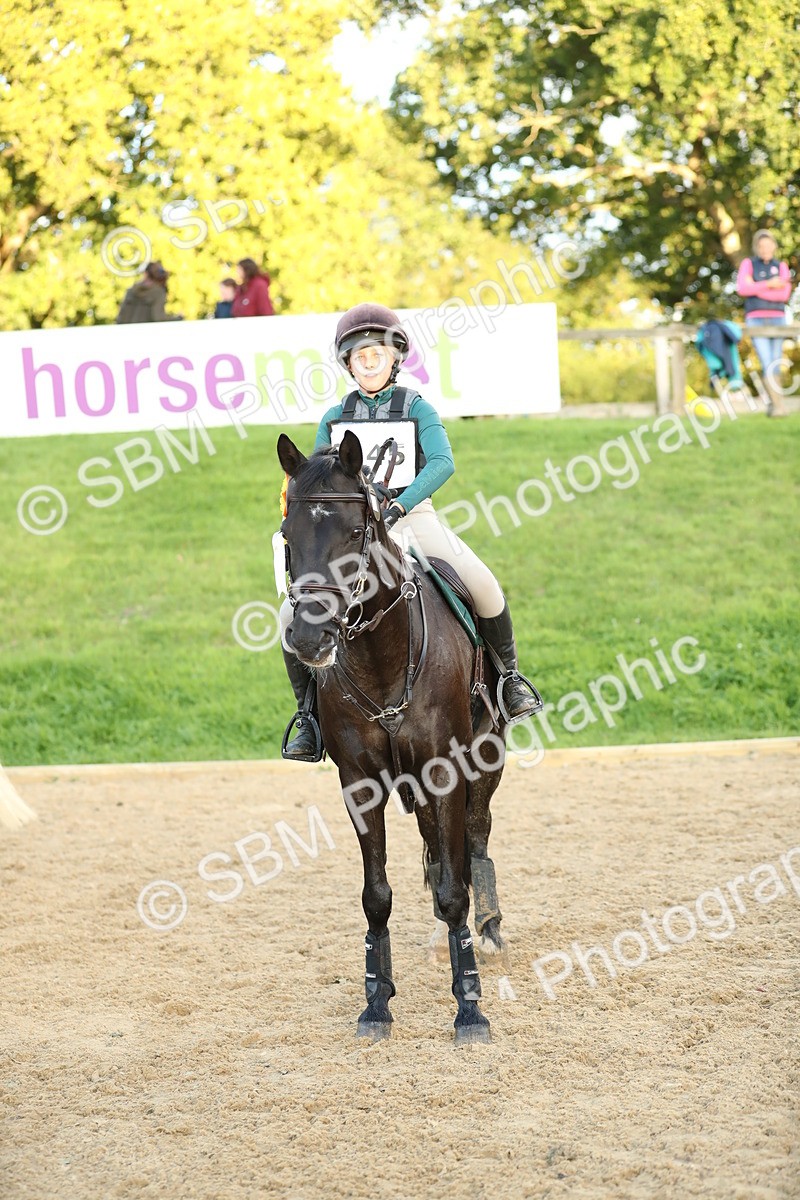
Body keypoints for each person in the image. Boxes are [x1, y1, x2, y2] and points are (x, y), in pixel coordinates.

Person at [280, 302, 541, 760]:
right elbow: (317, 480)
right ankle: (308, 716)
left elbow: (443, 462)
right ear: (348, 364)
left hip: (412, 516)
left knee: (483, 584)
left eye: (376, 354)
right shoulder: (334, 417)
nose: (368, 362)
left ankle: (510, 681)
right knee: (289, 614)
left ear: (394, 357)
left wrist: (400, 504)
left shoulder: (417, 407)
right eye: (359, 356)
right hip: (354, 529)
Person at [736, 230, 792, 417]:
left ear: (774, 246)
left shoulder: (781, 266)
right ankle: (778, 406)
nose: (765, 249)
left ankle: (775, 405)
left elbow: (783, 294)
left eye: (769, 245)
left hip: (778, 318)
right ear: (756, 248)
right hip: (756, 318)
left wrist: (756, 287)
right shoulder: (749, 264)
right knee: (766, 361)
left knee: (776, 362)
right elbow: (743, 288)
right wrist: (769, 284)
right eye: (761, 246)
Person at [116, 262, 181, 323]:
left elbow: (121, 317)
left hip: (126, 332)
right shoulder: (158, 292)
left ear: (146, 274)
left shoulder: (131, 290)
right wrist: (177, 318)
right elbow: (159, 317)